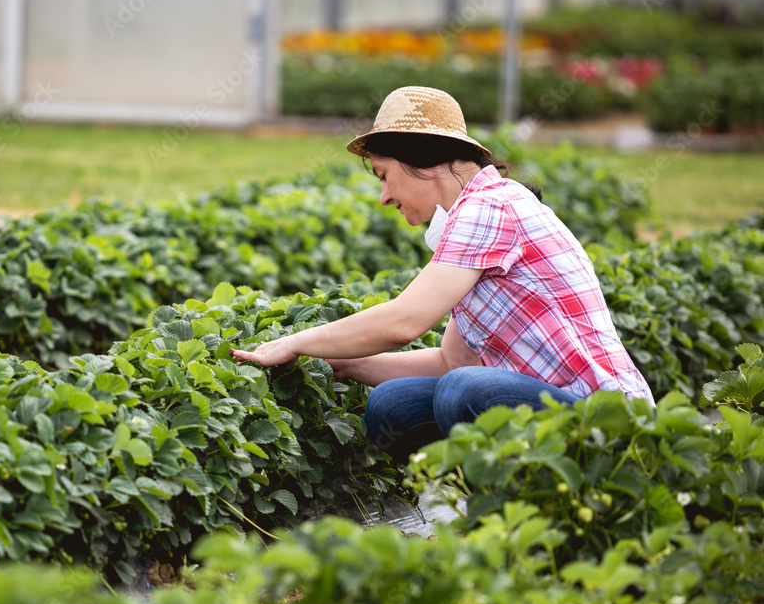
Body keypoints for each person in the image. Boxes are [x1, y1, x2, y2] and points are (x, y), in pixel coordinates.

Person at [232, 86, 653, 460]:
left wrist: (293, 341)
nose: (384, 197)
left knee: (464, 391)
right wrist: (340, 361)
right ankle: (481, 493)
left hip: (607, 419)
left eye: (384, 176)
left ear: (424, 161)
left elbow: (404, 322)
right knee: (393, 404)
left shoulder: (489, 208)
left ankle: (518, 510)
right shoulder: (475, 214)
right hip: (546, 403)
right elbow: (451, 359)